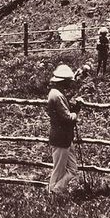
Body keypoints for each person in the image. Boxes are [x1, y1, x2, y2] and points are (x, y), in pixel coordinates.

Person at [47, 63, 82, 197]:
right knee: (58, 169)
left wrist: (76, 108)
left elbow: (65, 112)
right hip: (61, 137)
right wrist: (74, 115)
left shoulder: (57, 94)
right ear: (63, 81)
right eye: (68, 82)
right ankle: (53, 193)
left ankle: (57, 189)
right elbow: (67, 117)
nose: (70, 84)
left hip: (65, 137)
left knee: (73, 169)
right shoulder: (56, 96)